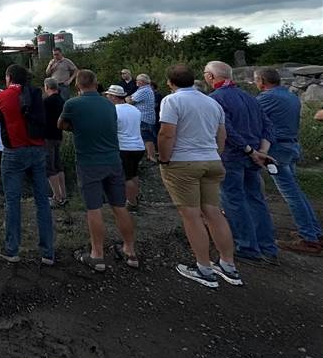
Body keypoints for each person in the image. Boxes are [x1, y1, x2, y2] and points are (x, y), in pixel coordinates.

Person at [157, 65, 241, 287]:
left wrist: (164, 160)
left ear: (170, 82)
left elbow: (167, 133)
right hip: (212, 160)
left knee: (192, 215)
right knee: (213, 212)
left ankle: (204, 268)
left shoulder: (172, 101)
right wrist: (215, 154)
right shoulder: (212, 102)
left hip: (184, 162)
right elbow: (221, 135)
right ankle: (228, 265)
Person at [59, 70, 137, 272]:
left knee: (94, 208)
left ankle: (97, 255)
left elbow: (61, 124)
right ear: (96, 83)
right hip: (113, 160)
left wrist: (75, 127)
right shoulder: (110, 105)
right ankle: (130, 251)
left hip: (89, 162)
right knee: (119, 206)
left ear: (77, 86)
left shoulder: (72, 104)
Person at [204, 61, 277, 262]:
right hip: (254, 157)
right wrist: (262, 151)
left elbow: (226, 130)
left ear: (210, 76)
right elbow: (268, 126)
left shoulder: (216, 98)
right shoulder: (250, 97)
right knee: (256, 200)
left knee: (234, 200)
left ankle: (247, 248)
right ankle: (268, 247)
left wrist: (249, 150)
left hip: (233, 156)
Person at [0, 65, 54, 265]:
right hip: (38, 151)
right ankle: (48, 253)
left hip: (14, 152)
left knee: (12, 201)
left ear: (8, 78)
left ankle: (12, 249)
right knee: (42, 201)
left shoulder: (2, 96)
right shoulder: (35, 93)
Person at [255, 67, 322, 254]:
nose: (255, 84)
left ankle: (309, 238)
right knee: (296, 191)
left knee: (291, 193)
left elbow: (250, 114)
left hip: (278, 150)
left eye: (256, 80)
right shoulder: (290, 95)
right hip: (291, 146)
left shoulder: (267, 98)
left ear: (262, 80)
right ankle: (315, 232)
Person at [104, 85, 145, 210]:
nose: (106, 98)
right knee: (134, 173)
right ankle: (135, 196)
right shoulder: (135, 110)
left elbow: (111, 129)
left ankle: (131, 203)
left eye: (108, 95)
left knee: (126, 177)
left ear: (113, 97)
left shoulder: (113, 110)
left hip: (124, 146)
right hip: (138, 146)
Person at [43, 78, 67, 207]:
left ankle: (57, 198)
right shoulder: (61, 100)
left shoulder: (47, 102)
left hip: (48, 137)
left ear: (47, 87)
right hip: (58, 135)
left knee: (50, 167)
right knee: (58, 165)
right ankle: (63, 194)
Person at [126, 74, 157, 162]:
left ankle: (151, 157)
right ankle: (149, 155)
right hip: (145, 117)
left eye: (137, 80)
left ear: (142, 82)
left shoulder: (144, 91)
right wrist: (129, 98)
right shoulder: (143, 90)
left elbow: (130, 101)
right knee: (145, 137)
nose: (136, 82)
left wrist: (128, 98)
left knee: (147, 137)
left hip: (144, 117)